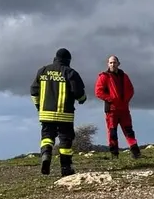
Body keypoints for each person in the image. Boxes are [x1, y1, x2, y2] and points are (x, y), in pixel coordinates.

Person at [31, 47, 87, 177]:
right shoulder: (70, 72)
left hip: (46, 114)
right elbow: (79, 93)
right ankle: (66, 168)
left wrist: (39, 106)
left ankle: (46, 155)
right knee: (65, 140)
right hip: (65, 114)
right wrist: (82, 99)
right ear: (68, 60)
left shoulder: (43, 71)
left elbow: (34, 91)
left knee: (47, 138)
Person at [94, 55, 141, 159]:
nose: (112, 64)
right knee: (112, 132)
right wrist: (111, 100)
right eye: (110, 62)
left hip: (124, 109)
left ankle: (135, 152)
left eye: (114, 62)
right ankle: (114, 154)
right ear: (108, 64)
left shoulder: (124, 76)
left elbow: (130, 90)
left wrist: (125, 100)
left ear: (118, 63)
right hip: (111, 110)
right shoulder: (104, 76)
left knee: (129, 131)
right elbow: (98, 92)